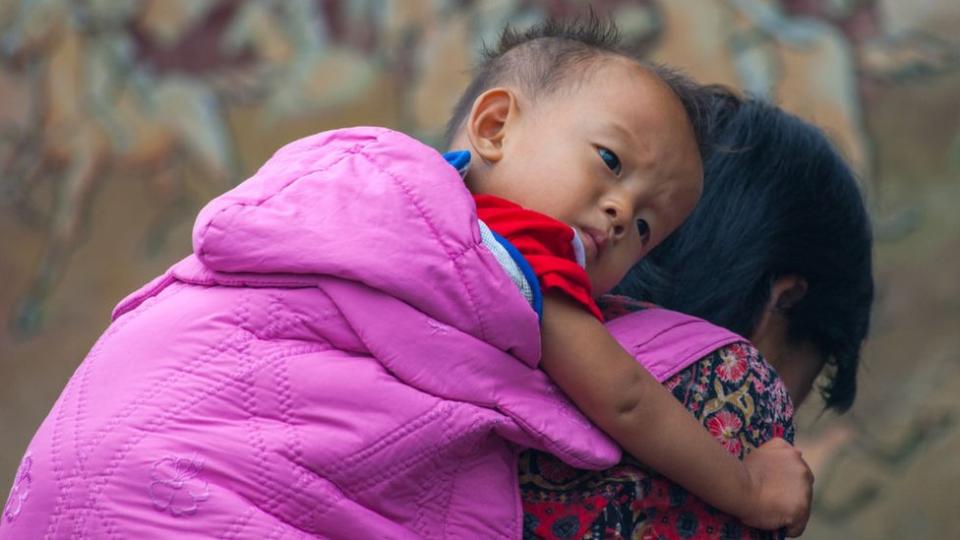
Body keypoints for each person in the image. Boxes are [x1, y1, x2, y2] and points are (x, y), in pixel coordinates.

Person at [0, 21, 808, 539]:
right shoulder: (522, 253)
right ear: (494, 126)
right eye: (609, 164)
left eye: (643, 226)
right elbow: (626, 399)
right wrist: (748, 488)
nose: (614, 213)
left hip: (80, 468)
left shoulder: (341, 196)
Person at [520, 90, 875, 539]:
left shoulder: (499, 310)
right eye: (790, 398)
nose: (781, 440)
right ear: (782, 299)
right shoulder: (734, 387)